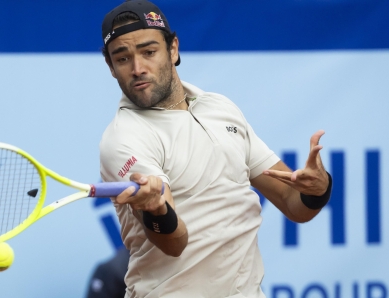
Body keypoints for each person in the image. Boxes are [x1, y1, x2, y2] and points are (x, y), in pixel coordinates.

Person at [98, 1, 333, 297]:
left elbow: (293, 203)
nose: (137, 69)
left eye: (148, 52)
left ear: (173, 49)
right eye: (122, 58)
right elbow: (175, 243)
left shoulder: (220, 108)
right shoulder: (124, 139)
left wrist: (319, 188)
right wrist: (157, 210)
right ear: (111, 66)